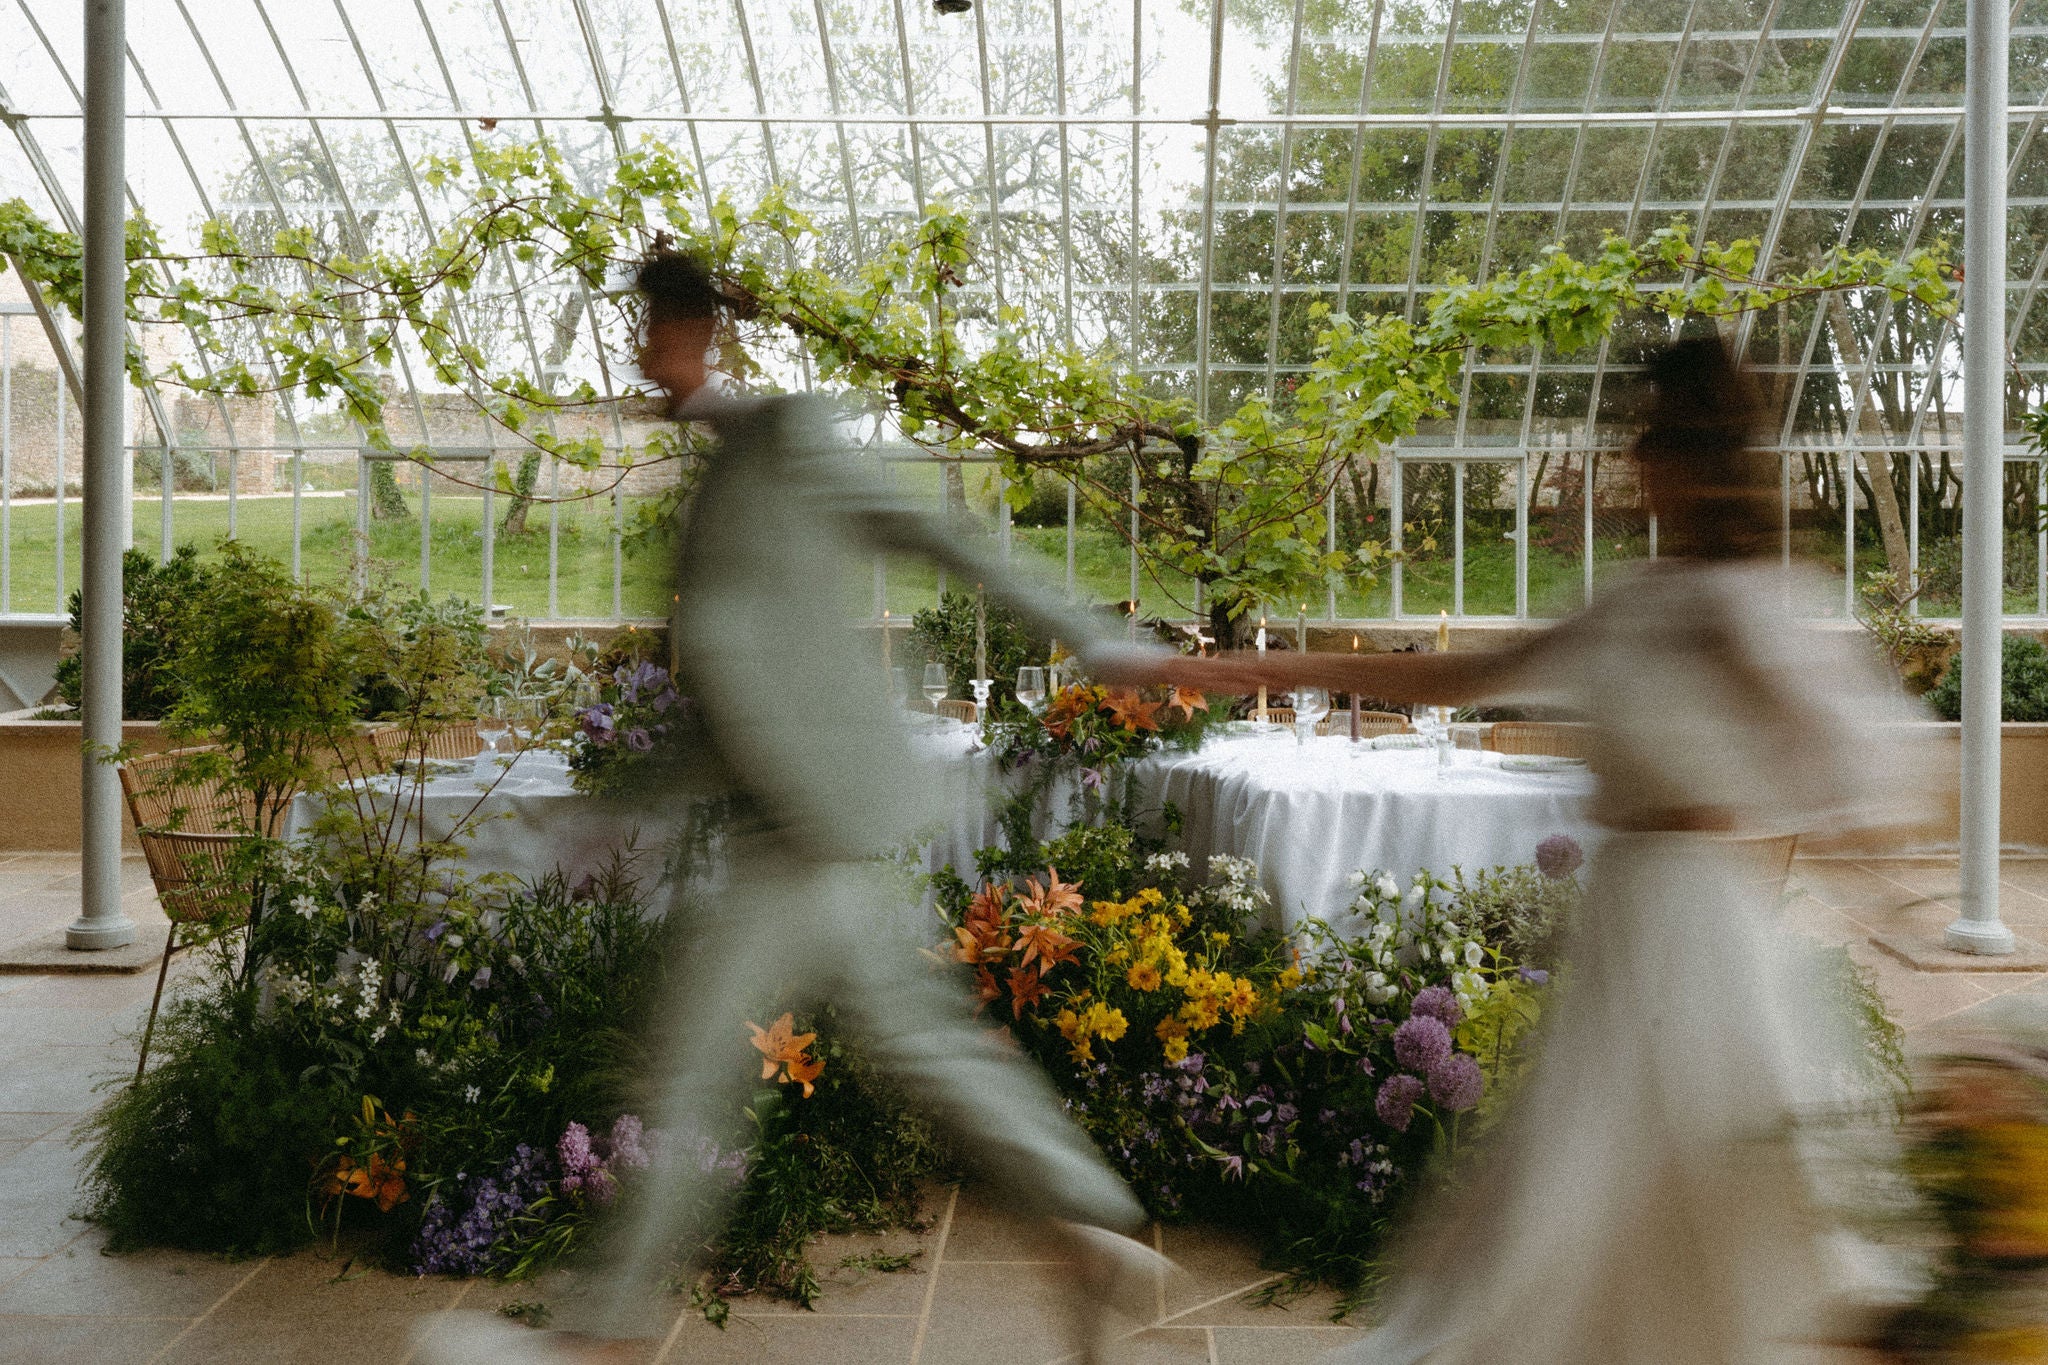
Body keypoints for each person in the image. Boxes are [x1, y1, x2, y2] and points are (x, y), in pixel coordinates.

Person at [415, 249, 1172, 1365]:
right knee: (920, 1051)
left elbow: (938, 534)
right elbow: (722, 690)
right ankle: (1090, 1227)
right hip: (803, 833)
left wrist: (1087, 631)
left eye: (654, 331)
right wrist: (617, 801)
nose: (639, 354)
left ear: (694, 335)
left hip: (818, 832)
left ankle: (602, 1336)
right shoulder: (713, 478)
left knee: (689, 1074)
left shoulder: (786, 442)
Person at [1146, 335, 1923, 1364]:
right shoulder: (1641, 595)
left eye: (1646, 440)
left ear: (1690, 456)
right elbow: (1464, 678)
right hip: (1629, 912)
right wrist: (1255, 668)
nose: (1629, 461)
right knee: (1591, 1181)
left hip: (1696, 927)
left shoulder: (1734, 603)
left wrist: (1871, 876)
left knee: (1678, 1182)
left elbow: (1848, 751)